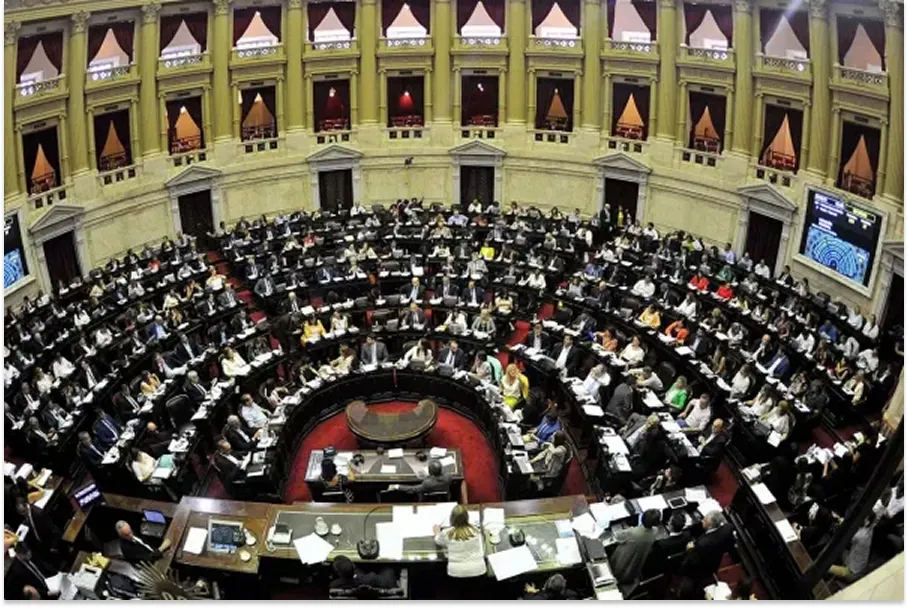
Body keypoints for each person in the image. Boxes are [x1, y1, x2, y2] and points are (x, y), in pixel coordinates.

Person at [609, 509, 661, 595]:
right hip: (637, 561)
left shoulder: (632, 532)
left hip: (623, 558)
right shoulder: (655, 531)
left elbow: (617, 537)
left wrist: (626, 528)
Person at [433, 505, 486, 579]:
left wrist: (436, 532)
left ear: (451, 518)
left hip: (456, 573)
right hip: (478, 570)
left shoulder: (447, 533)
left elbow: (438, 541)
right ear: (467, 517)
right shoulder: (476, 531)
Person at [828, 515, 877, 580]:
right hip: (854, 563)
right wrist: (839, 518)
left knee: (826, 568)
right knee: (839, 551)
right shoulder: (869, 529)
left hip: (851, 572)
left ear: (867, 521)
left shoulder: (859, 536)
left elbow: (846, 535)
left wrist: (839, 524)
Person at [329, 555, 397, 591]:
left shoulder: (334, 586)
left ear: (339, 574)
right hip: (377, 587)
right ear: (353, 565)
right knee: (388, 569)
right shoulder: (371, 578)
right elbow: (390, 584)